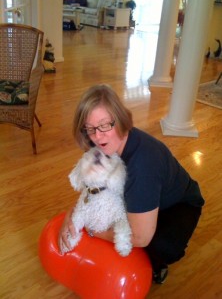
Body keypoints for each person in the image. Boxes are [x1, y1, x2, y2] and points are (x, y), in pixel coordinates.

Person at [59, 84, 204, 284]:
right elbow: (92, 185)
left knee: (163, 246)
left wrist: (89, 229)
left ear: (120, 119)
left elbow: (140, 237)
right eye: (90, 128)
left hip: (177, 204)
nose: (97, 136)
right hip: (141, 194)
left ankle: (157, 263)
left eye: (104, 125)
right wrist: (72, 214)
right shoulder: (101, 143)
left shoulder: (143, 165)